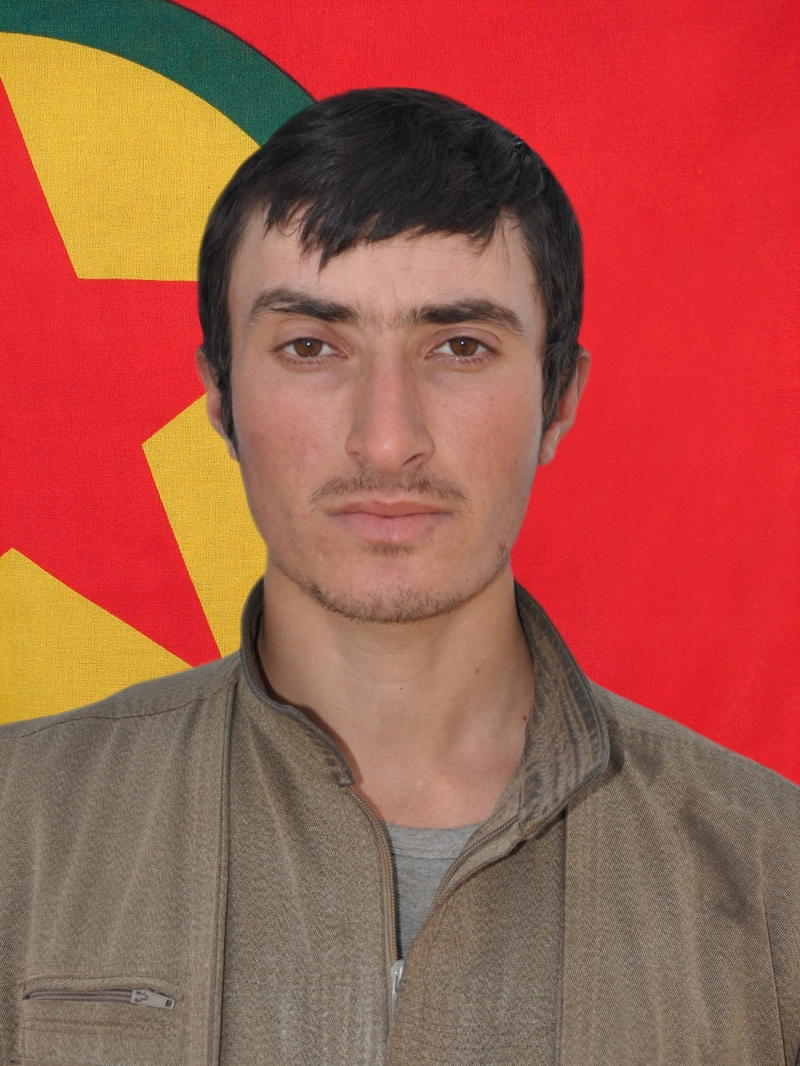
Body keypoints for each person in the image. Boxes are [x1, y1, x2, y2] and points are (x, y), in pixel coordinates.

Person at [0, 88, 797, 1066]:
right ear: (218, 397)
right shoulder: (17, 830)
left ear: (558, 399)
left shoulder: (776, 878)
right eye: (310, 346)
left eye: (459, 347)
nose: (387, 440)